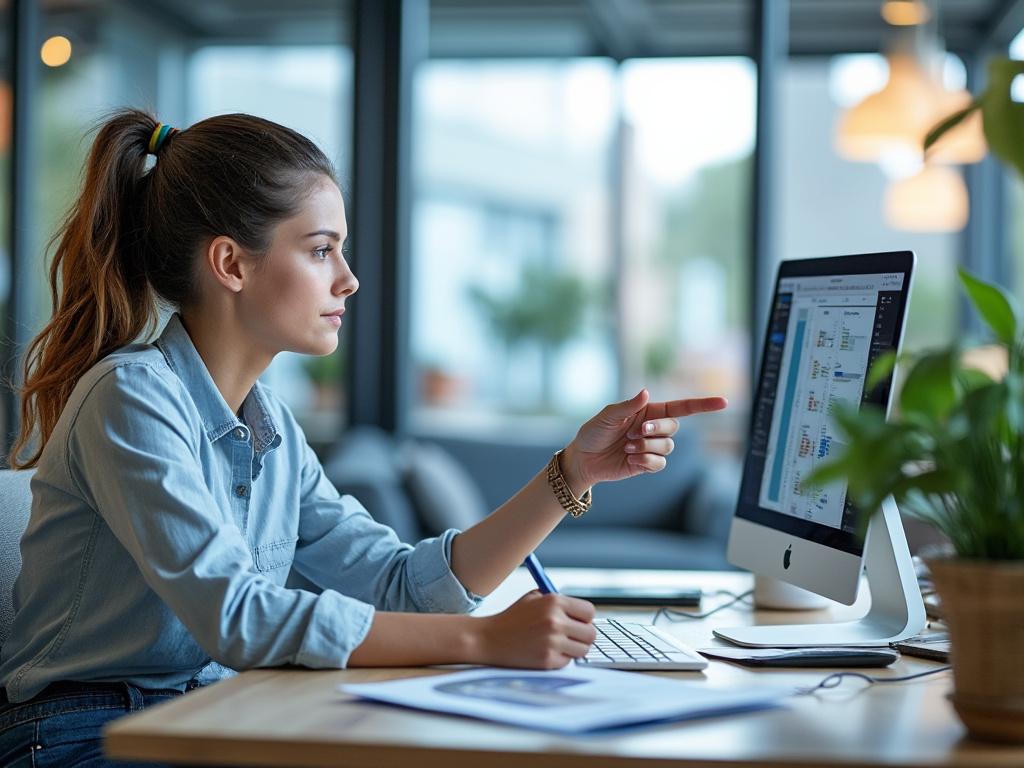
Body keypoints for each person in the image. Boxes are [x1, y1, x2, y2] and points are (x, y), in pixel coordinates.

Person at [0, 109, 727, 767]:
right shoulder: (129, 400)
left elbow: (403, 586)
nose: (348, 280)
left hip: (208, 711)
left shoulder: (272, 427)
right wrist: (483, 642)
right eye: (321, 251)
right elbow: (238, 617)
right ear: (231, 263)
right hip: (78, 734)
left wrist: (574, 470)